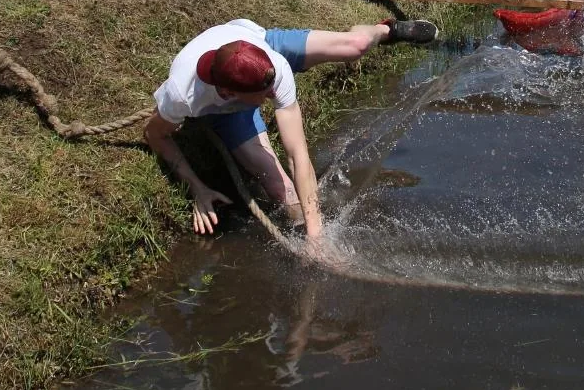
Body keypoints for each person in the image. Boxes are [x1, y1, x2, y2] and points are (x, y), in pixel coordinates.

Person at [143, 17, 439, 238]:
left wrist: (315, 233)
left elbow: (297, 152)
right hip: (225, 113)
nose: (273, 97)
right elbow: (154, 135)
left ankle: (386, 29)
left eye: (272, 88)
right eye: (264, 95)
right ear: (230, 94)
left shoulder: (275, 67)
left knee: (356, 45)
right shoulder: (182, 96)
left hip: (260, 44)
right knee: (283, 192)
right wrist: (198, 189)